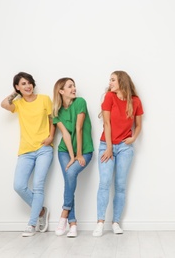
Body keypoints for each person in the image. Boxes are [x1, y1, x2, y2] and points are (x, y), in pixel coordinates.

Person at [1, 72, 55, 237]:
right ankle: (41, 211)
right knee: (19, 186)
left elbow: (54, 119)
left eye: (29, 82)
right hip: (25, 151)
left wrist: (51, 136)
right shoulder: (18, 103)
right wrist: (15, 94)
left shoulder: (44, 99)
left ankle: (31, 224)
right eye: (23, 84)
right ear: (17, 87)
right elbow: (3, 104)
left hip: (44, 149)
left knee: (38, 186)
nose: (27, 86)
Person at [93, 71, 144, 237]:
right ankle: (100, 222)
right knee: (104, 183)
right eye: (110, 80)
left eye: (113, 79)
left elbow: (138, 124)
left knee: (121, 185)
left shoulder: (135, 101)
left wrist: (133, 138)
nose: (110, 82)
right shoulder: (109, 97)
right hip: (106, 145)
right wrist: (109, 148)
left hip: (124, 147)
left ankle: (115, 222)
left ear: (122, 81)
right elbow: (106, 124)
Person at [52, 78, 94, 238]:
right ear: (61, 91)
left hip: (84, 151)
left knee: (70, 176)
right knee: (70, 179)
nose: (74, 88)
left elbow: (79, 128)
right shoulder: (57, 111)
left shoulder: (80, 102)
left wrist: (78, 155)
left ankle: (64, 214)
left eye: (74, 85)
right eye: (70, 86)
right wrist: (71, 156)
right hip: (64, 151)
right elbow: (66, 135)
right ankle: (73, 224)